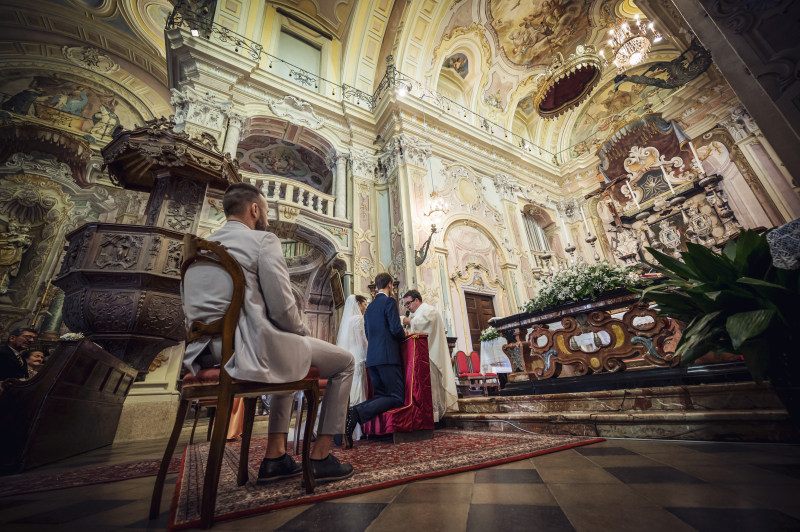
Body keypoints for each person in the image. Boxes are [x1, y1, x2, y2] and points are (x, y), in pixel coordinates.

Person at [182, 183, 355, 484]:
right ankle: (321, 457)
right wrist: (301, 331)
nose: (264, 216)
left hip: (205, 353)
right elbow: (283, 309)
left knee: (288, 357)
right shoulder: (263, 240)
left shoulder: (202, 248)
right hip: (249, 346)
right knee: (345, 362)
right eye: (263, 210)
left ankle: (276, 456)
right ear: (254, 209)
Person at [344, 273, 406, 448]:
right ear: (390, 285)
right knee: (396, 397)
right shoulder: (389, 302)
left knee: (381, 397)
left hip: (372, 358)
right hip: (388, 357)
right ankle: (356, 411)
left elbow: (368, 334)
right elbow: (396, 329)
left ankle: (354, 414)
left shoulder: (369, 308)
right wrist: (404, 334)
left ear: (377, 286)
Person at [402, 290, 458, 423]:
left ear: (417, 300)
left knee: (433, 387)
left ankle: (436, 416)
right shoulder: (418, 313)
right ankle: (429, 415)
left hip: (432, 355)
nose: (407, 307)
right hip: (423, 354)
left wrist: (407, 321)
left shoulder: (428, 310)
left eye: (408, 303)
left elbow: (424, 324)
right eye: (405, 305)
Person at [337, 294, 369, 442]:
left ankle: (341, 425)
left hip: (348, 356)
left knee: (350, 390)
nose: (365, 307)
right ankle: (358, 428)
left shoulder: (347, 321)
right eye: (364, 304)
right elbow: (362, 341)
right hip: (358, 356)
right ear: (358, 304)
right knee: (358, 388)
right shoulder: (358, 319)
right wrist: (369, 353)